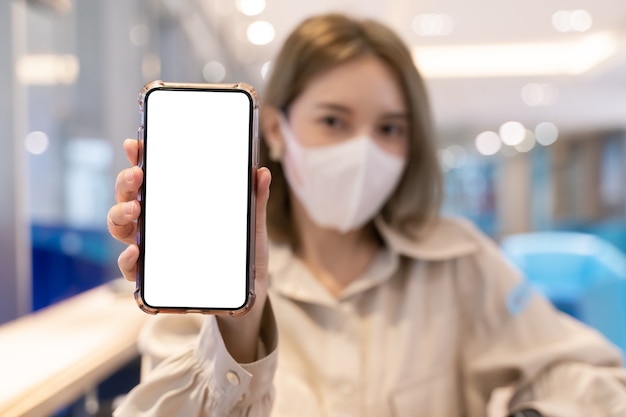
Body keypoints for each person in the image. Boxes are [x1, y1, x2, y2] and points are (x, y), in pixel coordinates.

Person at [107, 13, 626, 417]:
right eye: (333, 120)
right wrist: (239, 331)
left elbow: (592, 377)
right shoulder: (208, 274)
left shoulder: (460, 263)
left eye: (390, 129)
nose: (364, 151)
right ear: (278, 133)